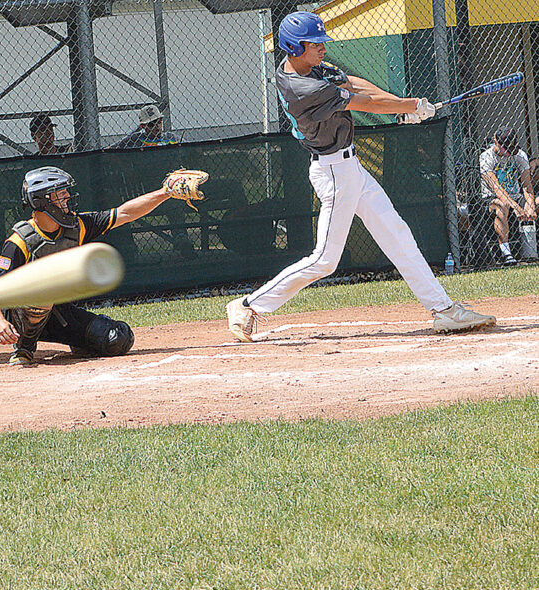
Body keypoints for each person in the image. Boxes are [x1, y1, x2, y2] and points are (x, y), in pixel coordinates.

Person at [224, 12, 495, 343]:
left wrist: (403, 106)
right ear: (295, 47)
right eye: (315, 44)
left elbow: (353, 83)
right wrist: (409, 106)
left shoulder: (301, 66)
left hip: (350, 169)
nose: (323, 48)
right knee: (325, 260)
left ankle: (443, 310)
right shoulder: (303, 88)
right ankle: (248, 305)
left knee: (397, 233)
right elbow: (363, 102)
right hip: (334, 172)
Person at [0, 166, 195, 365]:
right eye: (60, 193)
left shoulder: (76, 226)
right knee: (41, 293)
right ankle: (25, 348)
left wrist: (165, 192)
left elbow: (124, 213)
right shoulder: (20, 241)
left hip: (59, 313)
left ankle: (80, 341)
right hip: (21, 316)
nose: (67, 196)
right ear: (43, 200)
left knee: (117, 339)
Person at [478, 126, 535, 266]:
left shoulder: (520, 155)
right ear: (495, 141)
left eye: (512, 149)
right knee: (502, 205)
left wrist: (530, 205)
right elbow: (496, 188)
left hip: (516, 195)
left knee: (536, 203)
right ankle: (506, 253)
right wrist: (515, 206)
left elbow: (527, 185)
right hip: (491, 198)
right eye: (506, 148)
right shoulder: (486, 157)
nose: (509, 153)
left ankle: (533, 251)